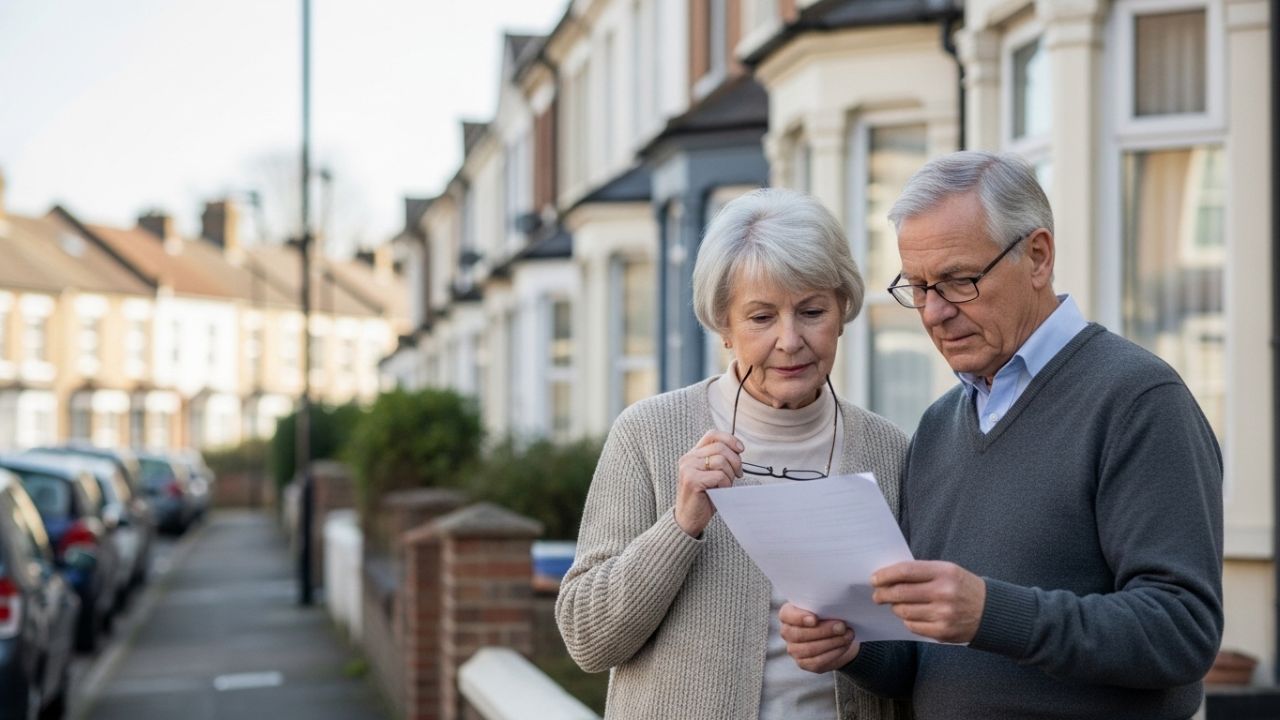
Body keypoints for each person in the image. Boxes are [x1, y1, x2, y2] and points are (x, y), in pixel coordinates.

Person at [779, 151, 1223, 719]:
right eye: (917, 287)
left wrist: (993, 614)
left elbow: (1181, 632)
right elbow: (919, 665)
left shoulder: (1137, 399)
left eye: (959, 281)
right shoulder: (938, 427)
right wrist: (853, 647)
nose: (935, 312)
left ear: (1038, 257)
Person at [556, 188, 912, 719]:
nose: (790, 341)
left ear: (842, 311)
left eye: (811, 311)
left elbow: (916, 654)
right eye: (761, 317)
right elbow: (588, 639)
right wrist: (680, 525)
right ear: (724, 326)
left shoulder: (890, 451)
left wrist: (858, 653)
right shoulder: (650, 433)